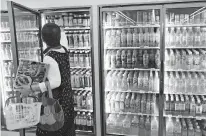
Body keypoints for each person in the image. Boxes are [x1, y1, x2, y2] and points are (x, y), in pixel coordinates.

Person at [18, 23, 75, 136]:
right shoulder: (63, 49)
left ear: (42, 39)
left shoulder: (49, 57)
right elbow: (62, 37)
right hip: (67, 98)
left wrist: (30, 88)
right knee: (66, 128)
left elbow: (55, 82)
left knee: (52, 128)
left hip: (56, 101)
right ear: (59, 36)